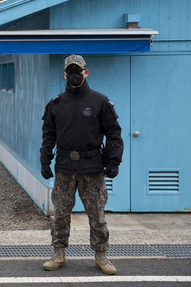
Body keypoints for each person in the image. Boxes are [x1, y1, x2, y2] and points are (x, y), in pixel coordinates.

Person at [40, 54, 124, 275]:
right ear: (65, 74)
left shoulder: (100, 101)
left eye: (80, 71)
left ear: (87, 72)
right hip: (65, 167)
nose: (75, 75)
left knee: (96, 214)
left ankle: (101, 255)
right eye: (71, 71)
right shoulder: (56, 103)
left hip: (92, 168)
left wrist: (114, 160)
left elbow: (114, 133)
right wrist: (45, 160)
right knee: (60, 213)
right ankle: (58, 253)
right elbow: (48, 135)